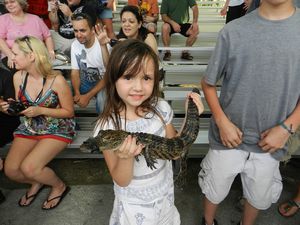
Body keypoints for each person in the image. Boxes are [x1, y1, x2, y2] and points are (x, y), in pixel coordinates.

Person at [198, 0, 300, 224]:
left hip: (272, 142)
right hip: (228, 138)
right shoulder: (233, 31)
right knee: (214, 188)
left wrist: (287, 127)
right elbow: (208, 83)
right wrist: (222, 121)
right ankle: (208, 220)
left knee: (258, 194)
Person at [93, 39, 204, 224]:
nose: (138, 87)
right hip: (133, 207)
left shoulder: (160, 108)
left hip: (164, 197)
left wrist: (191, 115)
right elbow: (121, 180)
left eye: (146, 78)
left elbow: (176, 150)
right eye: (128, 77)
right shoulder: (106, 127)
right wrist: (125, 157)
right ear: (113, 78)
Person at [0, 36, 75, 209]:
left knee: (30, 167)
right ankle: (38, 182)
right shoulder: (18, 77)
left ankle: (59, 186)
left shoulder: (57, 80)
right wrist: (9, 106)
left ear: (32, 56)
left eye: (16, 54)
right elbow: (23, 104)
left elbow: (69, 112)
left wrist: (41, 110)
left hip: (58, 126)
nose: (12, 57)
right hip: (30, 126)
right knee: (11, 171)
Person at [70, 12, 110, 114]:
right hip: (85, 83)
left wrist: (88, 96)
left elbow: (109, 75)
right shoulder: (75, 45)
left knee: (103, 100)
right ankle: (70, 123)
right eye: (75, 31)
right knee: (61, 88)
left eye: (82, 30)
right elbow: (75, 72)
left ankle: (103, 125)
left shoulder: (103, 45)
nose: (78, 35)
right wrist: (77, 93)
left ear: (92, 30)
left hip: (103, 83)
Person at [0, 0, 55, 70]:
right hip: (13, 55)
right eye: (6, 3)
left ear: (21, 3)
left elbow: (48, 36)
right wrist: (10, 55)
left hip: (36, 55)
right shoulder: (3, 19)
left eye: (12, 2)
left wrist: (51, 51)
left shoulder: (36, 19)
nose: (9, 5)